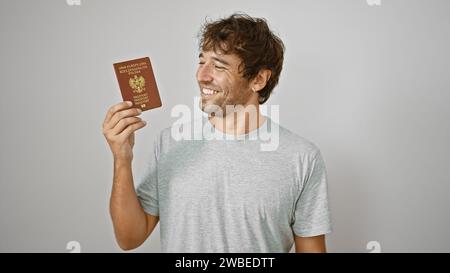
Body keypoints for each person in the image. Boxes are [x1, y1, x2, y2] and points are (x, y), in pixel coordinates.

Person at [102, 13, 332, 253]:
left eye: (219, 66)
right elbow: (129, 238)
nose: (202, 75)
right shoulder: (170, 142)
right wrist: (122, 159)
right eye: (201, 62)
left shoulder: (302, 158)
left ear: (259, 79)